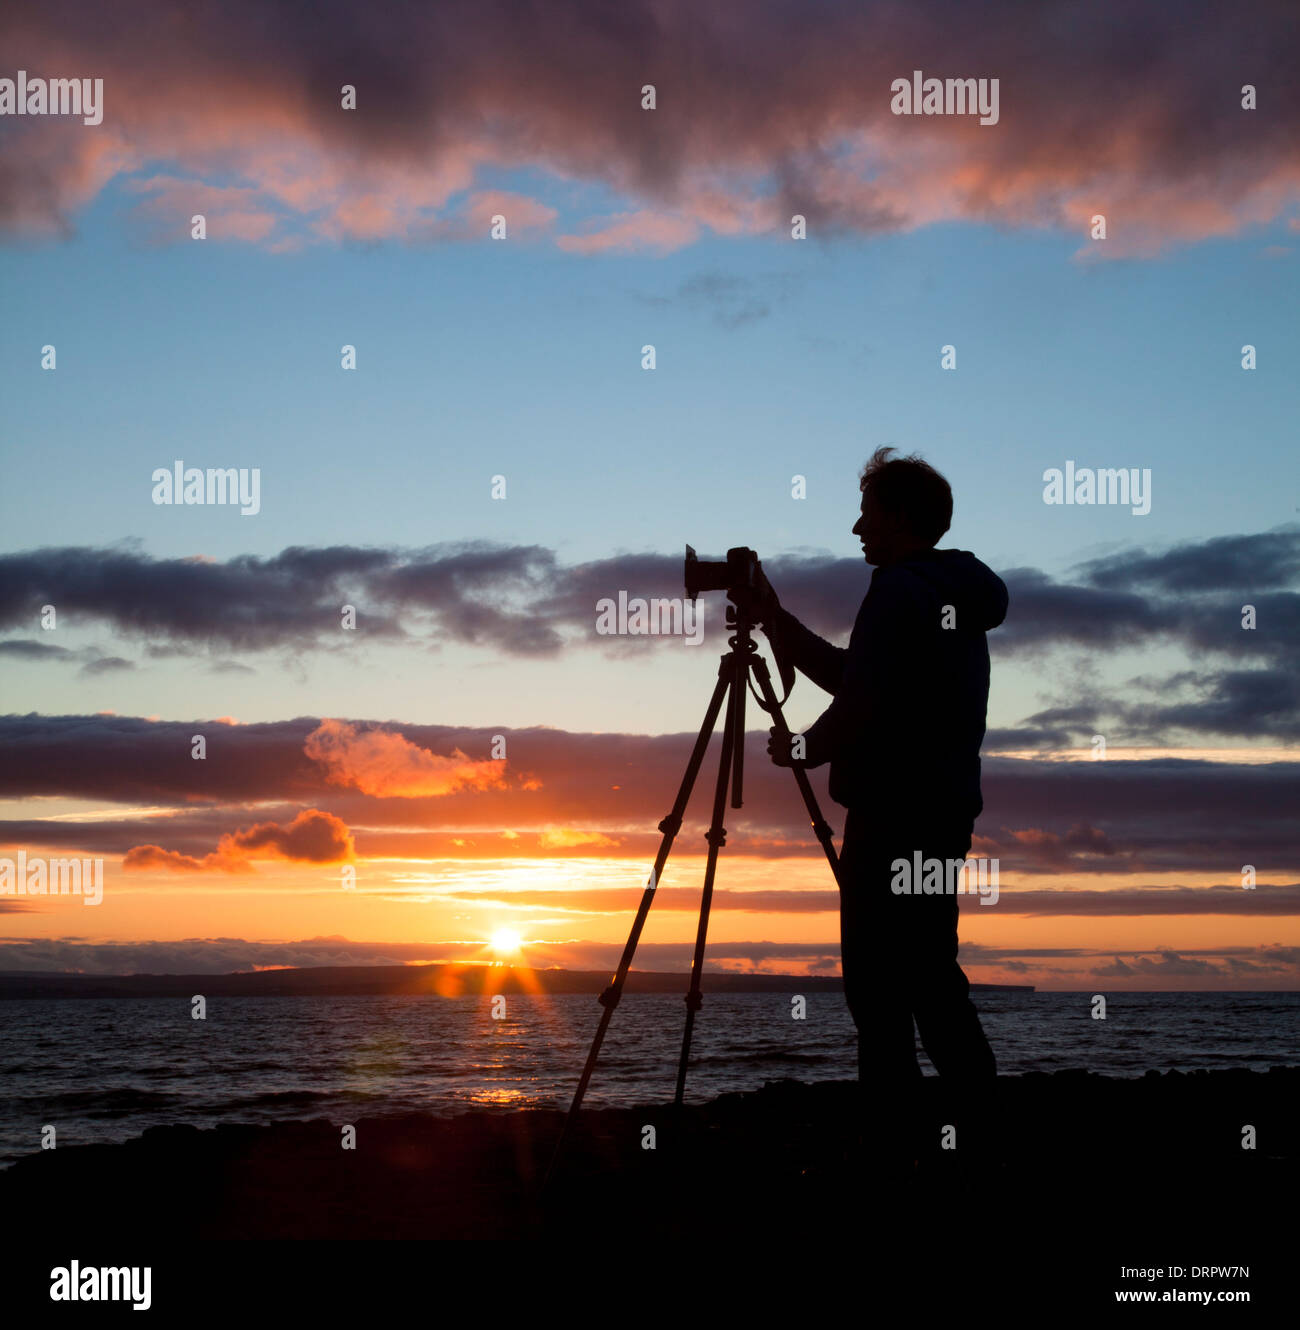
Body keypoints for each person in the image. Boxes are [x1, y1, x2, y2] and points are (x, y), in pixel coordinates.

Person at [732, 447, 1007, 1093]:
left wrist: (804, 749)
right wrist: (776, 621)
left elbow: (861, 700)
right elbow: (863, 678)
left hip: (889, 819)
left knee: (878, 987)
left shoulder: (897, 589)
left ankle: (896, 1130)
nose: (858, 528)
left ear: (901, 517)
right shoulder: (949, 592)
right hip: (941, 816)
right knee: (931, 973)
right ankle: (978, 1121)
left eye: (868, 513)